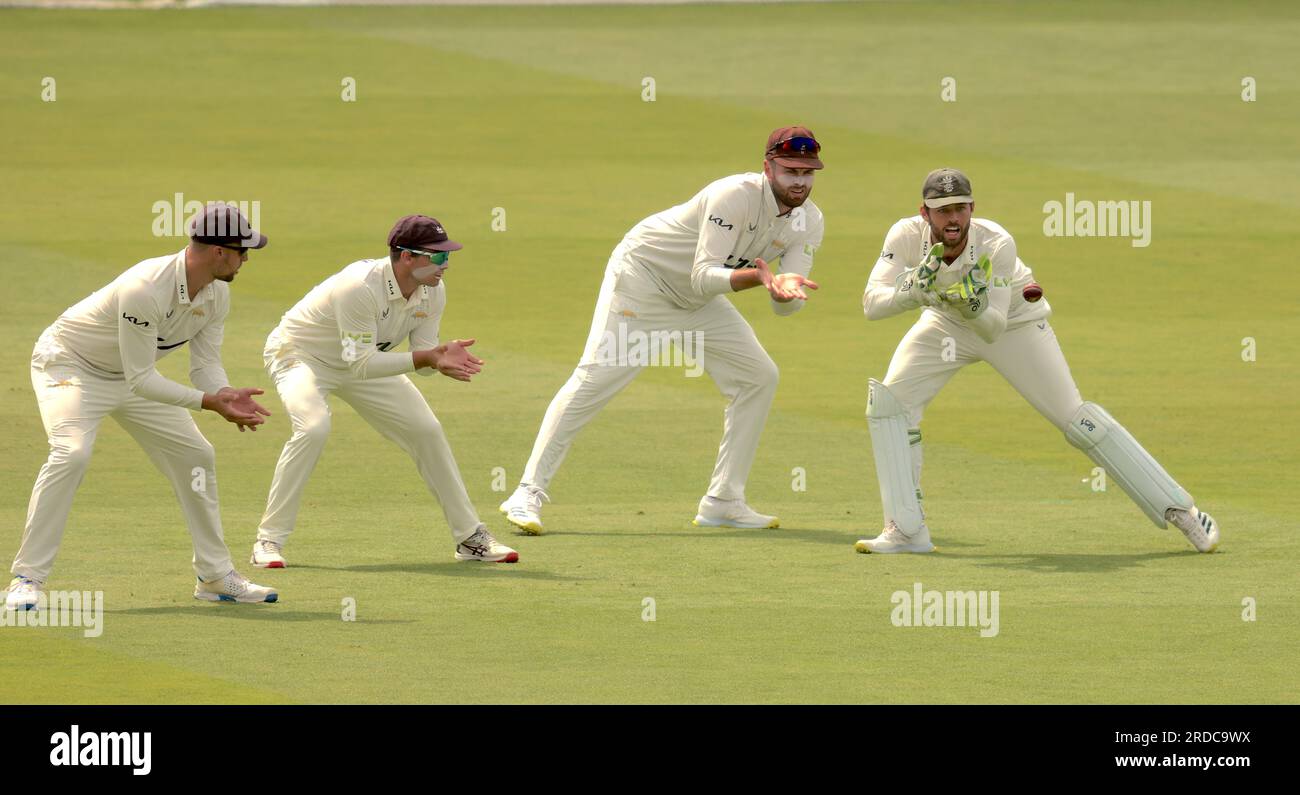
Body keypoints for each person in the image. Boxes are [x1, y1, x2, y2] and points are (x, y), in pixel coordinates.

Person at [856, 168, 1220, 554]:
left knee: (1078, 421)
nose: (953, 218)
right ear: (924, 212)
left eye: (960, 208)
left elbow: (993, 328)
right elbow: (871, 305)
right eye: (942, 210)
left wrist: (973, 303)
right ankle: (907, 531)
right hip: (945, 324)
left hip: (1014, 325)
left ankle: (1182, 510)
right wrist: (914, 289)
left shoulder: (997, 243)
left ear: (972, 208)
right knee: (890, 406)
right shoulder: (904, 235)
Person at [499, 126, 825, 534]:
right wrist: (760, 280)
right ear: (768, 167)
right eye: (790, 170)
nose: (799, 181)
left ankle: (724, 500)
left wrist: (784, 292)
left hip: (697, 302)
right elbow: (705, 275)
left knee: (758, 377)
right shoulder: (733, 195)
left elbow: (784, 305)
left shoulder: (809, 222)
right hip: (643, 281)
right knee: (595, 381)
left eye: (808, 172)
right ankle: (527, 492)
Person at [7, 203, 279, 609]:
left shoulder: (217, 294)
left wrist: (224, 392)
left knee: (196, 454)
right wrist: (209, 403)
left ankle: (215, 576)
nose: (246, 260)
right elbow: (142, 379)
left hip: (131, 375)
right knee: (71, 453)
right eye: (243, 251)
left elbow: (204, 365)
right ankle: (26, 579)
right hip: (70, 366)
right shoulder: (145, 288)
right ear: (219, 251)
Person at [249, 215, 517, 566]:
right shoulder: (358, 287)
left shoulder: (433, 291)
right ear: (406, 257)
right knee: (313, 428)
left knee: (426, 430)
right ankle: (268, 542)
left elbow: (418, 358)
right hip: (301, 355)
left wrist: (439, 360)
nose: (445, 264)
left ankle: (470, 538)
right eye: (436, 257)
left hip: (364, 359)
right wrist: (428, 358)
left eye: (447, 256)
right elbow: (363, 363)